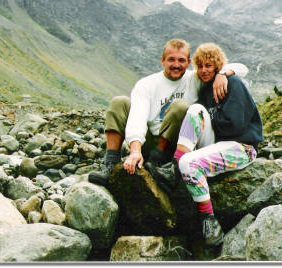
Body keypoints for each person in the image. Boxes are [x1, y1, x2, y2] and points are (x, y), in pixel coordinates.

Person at [146, 43, 264, 246]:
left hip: (241, 146)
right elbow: (203, 118)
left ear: (218, 65)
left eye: (209, 65)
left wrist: (224, 78)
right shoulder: (206, 90)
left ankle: (209, 220)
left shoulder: (232, 83)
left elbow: (235, 126)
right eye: (200, 66)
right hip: (219, 142)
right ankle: (174, 168)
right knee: (195, 110)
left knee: (190, 164)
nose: (204, 70)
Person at [88, 38, 248, 186]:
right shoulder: (147, 84)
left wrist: (222, 74)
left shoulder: (196, 78)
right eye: (171, 59)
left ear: (188, 62)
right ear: (162, 60)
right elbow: (137, 116)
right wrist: (135, 151)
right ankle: (110, 162)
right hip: (149, 142)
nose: (176, 65)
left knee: (181, 106)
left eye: (181, 60)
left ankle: (164, 163)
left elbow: (242, 68)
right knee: (119, 102)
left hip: (176, 146)